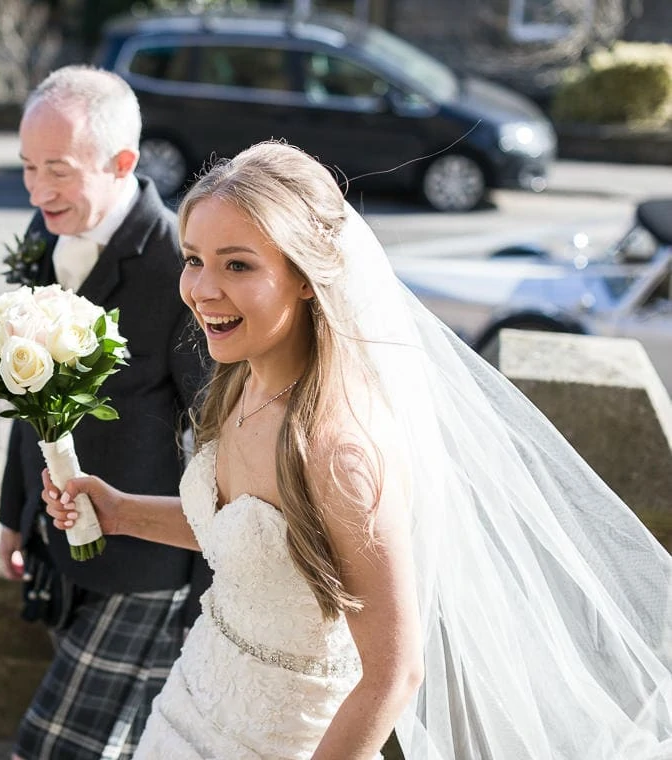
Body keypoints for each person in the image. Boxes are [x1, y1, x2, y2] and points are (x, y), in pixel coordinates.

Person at [44, 141, 672, 759]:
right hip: (188, 707)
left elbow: (395, 673)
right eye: (193, 258)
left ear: (307, 279)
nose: (202, 289)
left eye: (238, 265)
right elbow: (247, 537)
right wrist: (121, 510)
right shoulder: (238, 385)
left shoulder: (338, 451)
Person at [0, 65, 211, 760]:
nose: (36, 190)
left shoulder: (183, 266)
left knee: (53, 748)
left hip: (147, 567)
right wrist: (14, 513)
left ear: (122, 163)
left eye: (56, 170)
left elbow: (219, 438)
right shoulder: (40, 233)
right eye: (27, 167)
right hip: (58, 549)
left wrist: (208, 603)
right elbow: (22, 387)